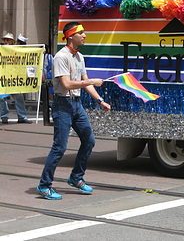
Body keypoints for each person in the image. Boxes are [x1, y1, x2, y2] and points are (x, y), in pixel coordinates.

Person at [37, 22, 111, 200]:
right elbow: (67, 84)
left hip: (76, 104)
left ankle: (76, 177)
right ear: (70, 36)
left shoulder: (79, 57)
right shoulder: (61, 57)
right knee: (59, 147)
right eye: (81, 33)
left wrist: (100, 100)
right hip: (63, 104)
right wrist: (90, 82)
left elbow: (84, 82)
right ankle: (44, 185)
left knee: (89, 141)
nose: (84, 35)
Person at [0, 32, 31, 124]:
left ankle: (22, 116)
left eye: (7, 40)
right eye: (4, 40)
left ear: (12, 41)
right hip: (4, 78)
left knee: (19, 97)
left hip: (15, 78)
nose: (5, 41)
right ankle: (4, 116)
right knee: (2, 98)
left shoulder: (17, 50)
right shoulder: (1, 50)